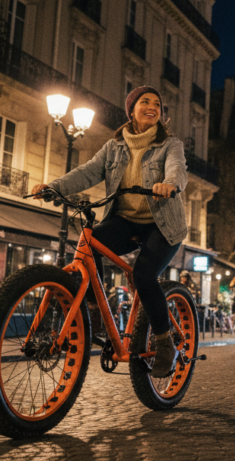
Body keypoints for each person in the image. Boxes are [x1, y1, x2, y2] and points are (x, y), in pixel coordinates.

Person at [32, 86, 188, 378]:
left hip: (162, 224)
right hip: (126, 219)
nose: (153, 106)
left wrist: (170, 184)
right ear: (132, 110)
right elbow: (88, 171)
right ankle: (93, 312)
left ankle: (166, 343)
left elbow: (177, 168)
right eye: (145, 102)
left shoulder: (170, 144)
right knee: (87, 244)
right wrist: (54, 187)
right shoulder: (115, 146)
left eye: (157, 103)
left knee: (144, 275)